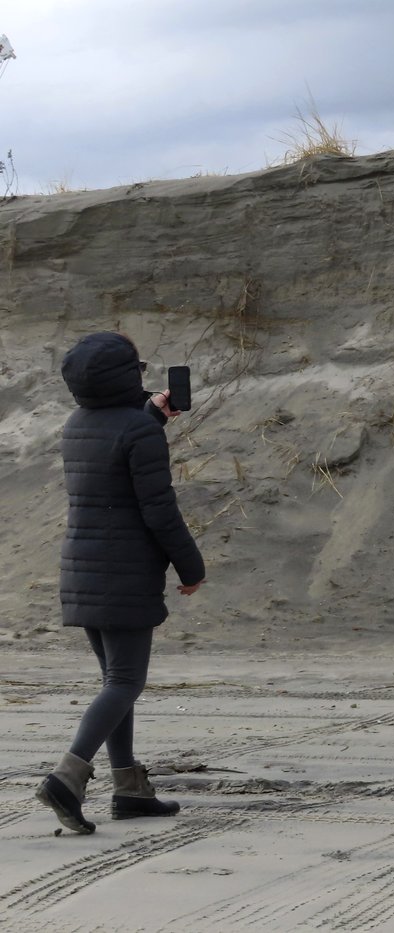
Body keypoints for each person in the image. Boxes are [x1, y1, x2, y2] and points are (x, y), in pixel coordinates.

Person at [36, 332, 206, 834]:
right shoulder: (138, 430)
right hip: (124, 571)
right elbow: (159, 510)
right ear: (126, 377)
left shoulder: (77, 424)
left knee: (116, 682)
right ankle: (66, 778)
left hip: (83, 569)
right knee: (126, 682)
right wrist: (191, 567)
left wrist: (151, 416)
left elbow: (116, 451)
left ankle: (130, 790)